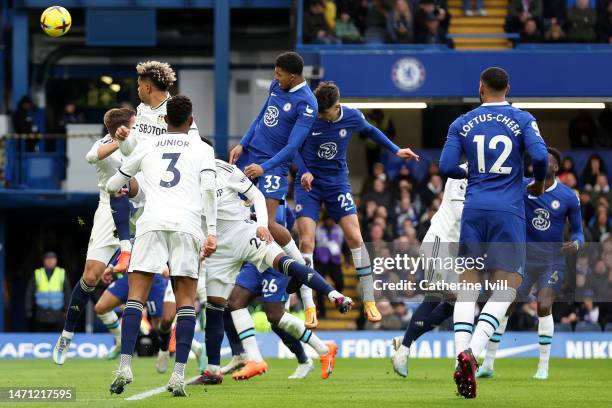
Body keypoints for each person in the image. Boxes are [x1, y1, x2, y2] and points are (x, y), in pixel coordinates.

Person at [186, 151, 353, 381]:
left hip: (260, 245)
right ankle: (240, 361)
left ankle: (323, 336)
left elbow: (284, 238)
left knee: (275, 316)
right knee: (231, 303)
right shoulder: (198, 178)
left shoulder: (271, 200)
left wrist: (306, 292)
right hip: (230, 251)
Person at [439, 66, 548, 399]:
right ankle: (471, 352)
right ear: (508, 89)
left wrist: (473, 177)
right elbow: (541, 156)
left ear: (481, 88)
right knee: (507, 287)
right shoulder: (523, 119)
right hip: (509, 212)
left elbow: (445, 168)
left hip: (474, 210)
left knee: (468, 287)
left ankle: (461, 355)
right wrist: (538, 184)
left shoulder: (461, 123)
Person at [106, 95, 217, 397]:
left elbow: (116, 183)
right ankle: (179, 375)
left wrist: (126, 190)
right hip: (188, 227)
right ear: (191, 122)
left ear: (164, 120)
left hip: (151, 223)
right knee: (186, 302)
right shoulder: (203, 149)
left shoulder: (147, 145)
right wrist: (213, 231)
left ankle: (125, 366)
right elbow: (209, 191)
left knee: (135, 297)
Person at [294, 82, 419, 323]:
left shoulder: (351, 116)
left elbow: (371, 131)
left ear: (337, 107)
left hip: (336, 183)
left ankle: (370, 302)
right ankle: (310, 308)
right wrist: (305, 170)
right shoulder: (310, 115)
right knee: (306, 241)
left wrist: (395, 150)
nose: (320, 115)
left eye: (325, 112)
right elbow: (294, 148)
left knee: (357, 239)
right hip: (308, 184)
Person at [477, 147, 584, 380]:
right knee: (505, 306)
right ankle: (488, 364)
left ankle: (543, 367)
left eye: (545, 161)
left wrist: (575, 244)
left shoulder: (568, 196)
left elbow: (578, 233)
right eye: (537, 160)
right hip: (522, 260)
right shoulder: (522, 186)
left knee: (544, 305)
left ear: (556, 167)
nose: (540, 163)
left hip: (552, 261)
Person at [52, 108, 140, 366]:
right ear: (121, 127)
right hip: (108, 212)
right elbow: (92, 156)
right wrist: (119, 141)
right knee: (90, 277)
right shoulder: (105, 143)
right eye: (133, 125)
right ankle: (67, 335)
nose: (136, 128)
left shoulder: (142, 140)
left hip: (145, 208)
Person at [228, 52, 317, 287]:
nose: (275, 78)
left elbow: (292, 147)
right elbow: (260, 117)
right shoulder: (276, 87)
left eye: (279, 75)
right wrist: (242, 143)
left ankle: (300, 268)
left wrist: (264, 168)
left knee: (268, 222)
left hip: (274, 165)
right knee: (236, 211)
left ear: (293, 76)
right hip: (251, 156)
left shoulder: (307, 104)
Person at [112, 61, 201, 273]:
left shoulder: (177, 112)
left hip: (170, 187)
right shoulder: (141, 111)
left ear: (147, 87)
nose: (137, 90)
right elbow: (128, 152)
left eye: (138, 85)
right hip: (145, 181)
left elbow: (195, 149)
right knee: (118, 185)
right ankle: (126, 248)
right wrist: (124, 139)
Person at [391, 164, 467, 377]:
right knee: (435, 295)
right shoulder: (461, 172)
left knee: (455, 304)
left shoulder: (487, 175)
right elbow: (463, 212)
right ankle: (403, 351)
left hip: (455, 250)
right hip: (438, 241)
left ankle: (406, 339)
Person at [93, 251, 170, 361]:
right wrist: (110, 266)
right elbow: (124, 247)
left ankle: (194, 347)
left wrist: (164, 264)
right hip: (129, 276)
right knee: (101, 308)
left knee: (160, 325)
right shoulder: (129, 235)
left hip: (153, 278)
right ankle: (120, 341)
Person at [26, 252, 71, 333]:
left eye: (52, 259)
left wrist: (66, 309)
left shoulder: (61, 273)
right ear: (44, 261)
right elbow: (29, 292)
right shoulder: (37, 273)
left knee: (57, 337)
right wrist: (29, 309)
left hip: (58, 313)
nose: (50, 261)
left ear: (56, 261)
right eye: (48, 259)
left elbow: (68, 292)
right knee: (40, 336)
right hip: (40, 313)